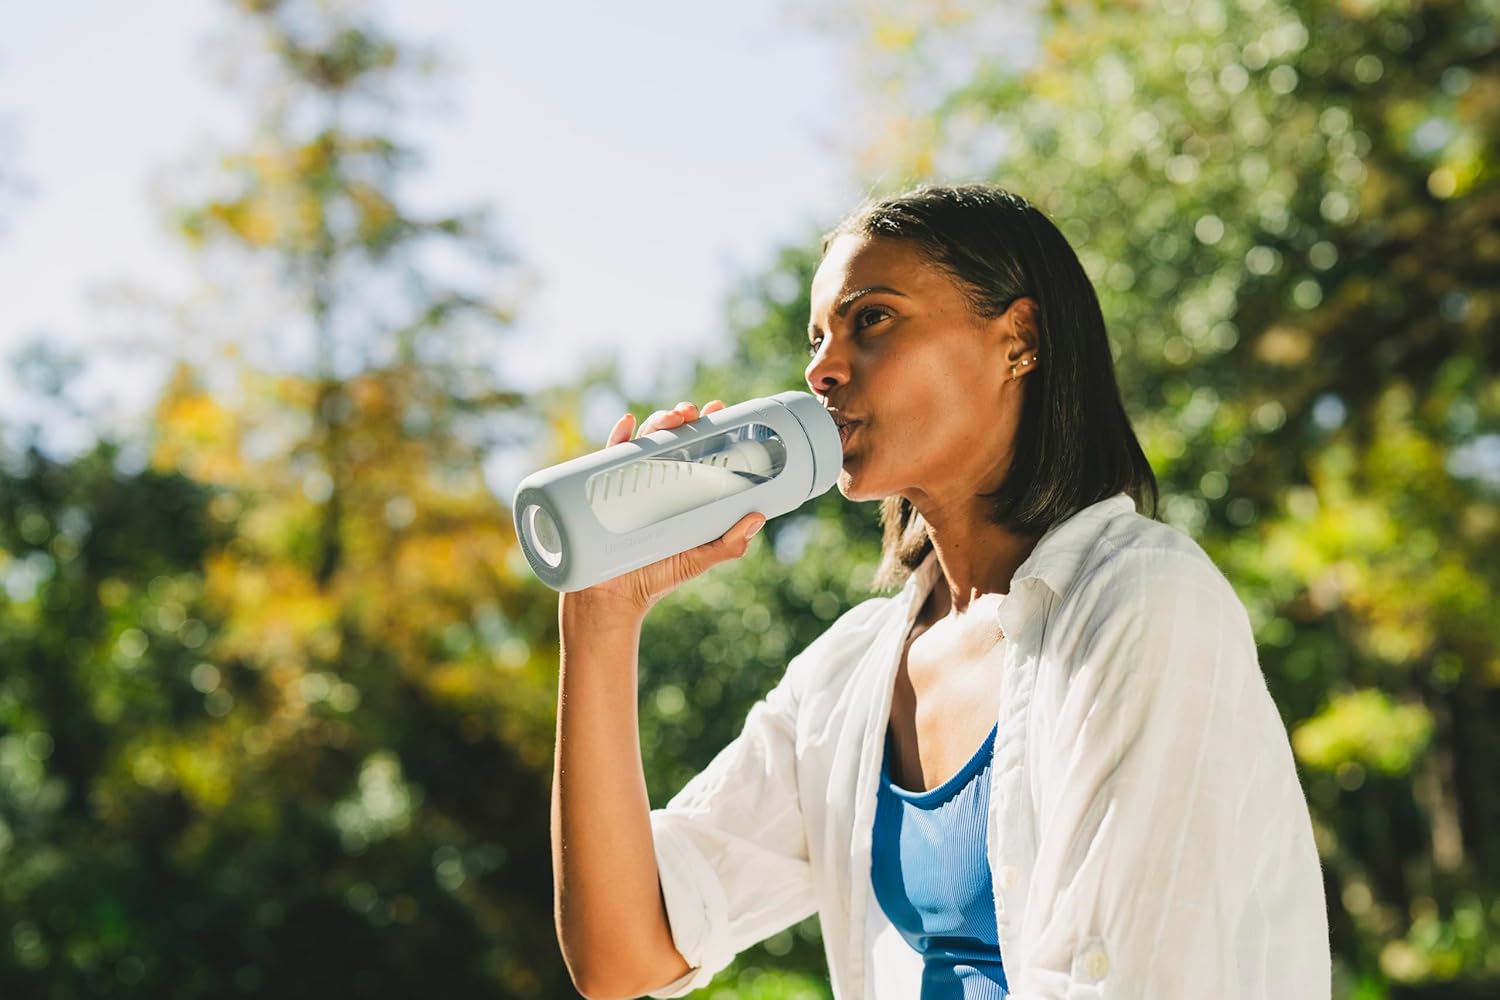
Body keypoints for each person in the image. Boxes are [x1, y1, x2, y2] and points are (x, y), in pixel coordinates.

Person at [550, 184, 1330, 999]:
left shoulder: (1141, 601)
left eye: (872, 319)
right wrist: (601, 616)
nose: (821, 369)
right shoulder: (848, 676)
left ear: (1018, 339)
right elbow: (624, 955)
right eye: (816, 339)